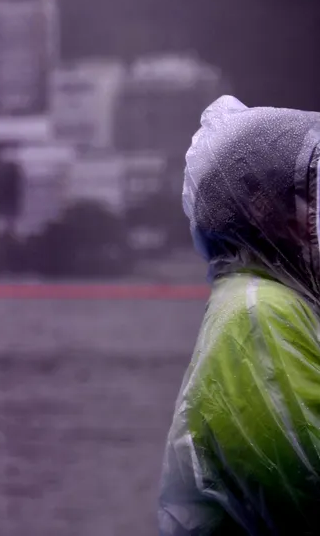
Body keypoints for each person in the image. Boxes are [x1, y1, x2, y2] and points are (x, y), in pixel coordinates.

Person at [159, 96, 320, 535]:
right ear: (267, 212)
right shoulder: (259, 313)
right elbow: (302, 482)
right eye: (313, 195)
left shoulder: (273, 301)